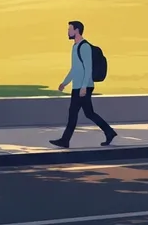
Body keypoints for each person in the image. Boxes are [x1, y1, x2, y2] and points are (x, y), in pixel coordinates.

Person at [50, 20, 117, 149]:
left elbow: (88, 68)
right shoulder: (75, 47)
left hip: (83, 87)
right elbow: (74, 69)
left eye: (70, 29)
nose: (68, 32)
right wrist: (64, 83)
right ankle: (109, 132)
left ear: (77, 30)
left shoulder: (84, 47)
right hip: (78, 86)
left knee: (73, 113)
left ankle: (65, 140)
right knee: (89, 113)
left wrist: (84, 86)